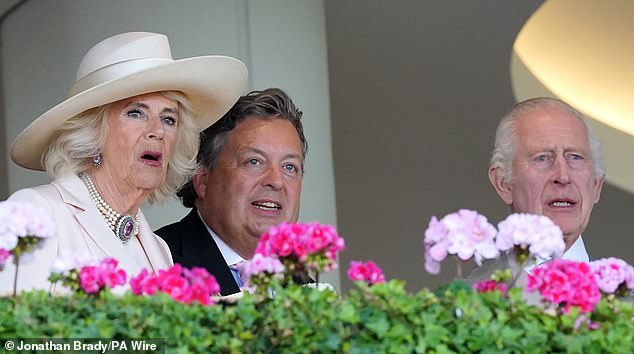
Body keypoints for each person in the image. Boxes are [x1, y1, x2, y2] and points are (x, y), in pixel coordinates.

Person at [0, 31, 247, 294]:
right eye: (136, 113)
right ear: (94, 131)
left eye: (169, 119)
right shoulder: (35, 213)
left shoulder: (159, 250)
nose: (158, 131)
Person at [155, 88, 307, 295]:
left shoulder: (302, 283)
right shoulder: (157, 264)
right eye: (254, 162)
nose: (276, 181)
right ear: (202, 178)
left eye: (289, 167)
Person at [468, 97, 605, 285]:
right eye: (542, 158)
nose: (563, 176)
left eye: (575, 157)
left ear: (597, 185)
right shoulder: (466, 300)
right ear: (503, 182)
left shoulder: (627, 300)